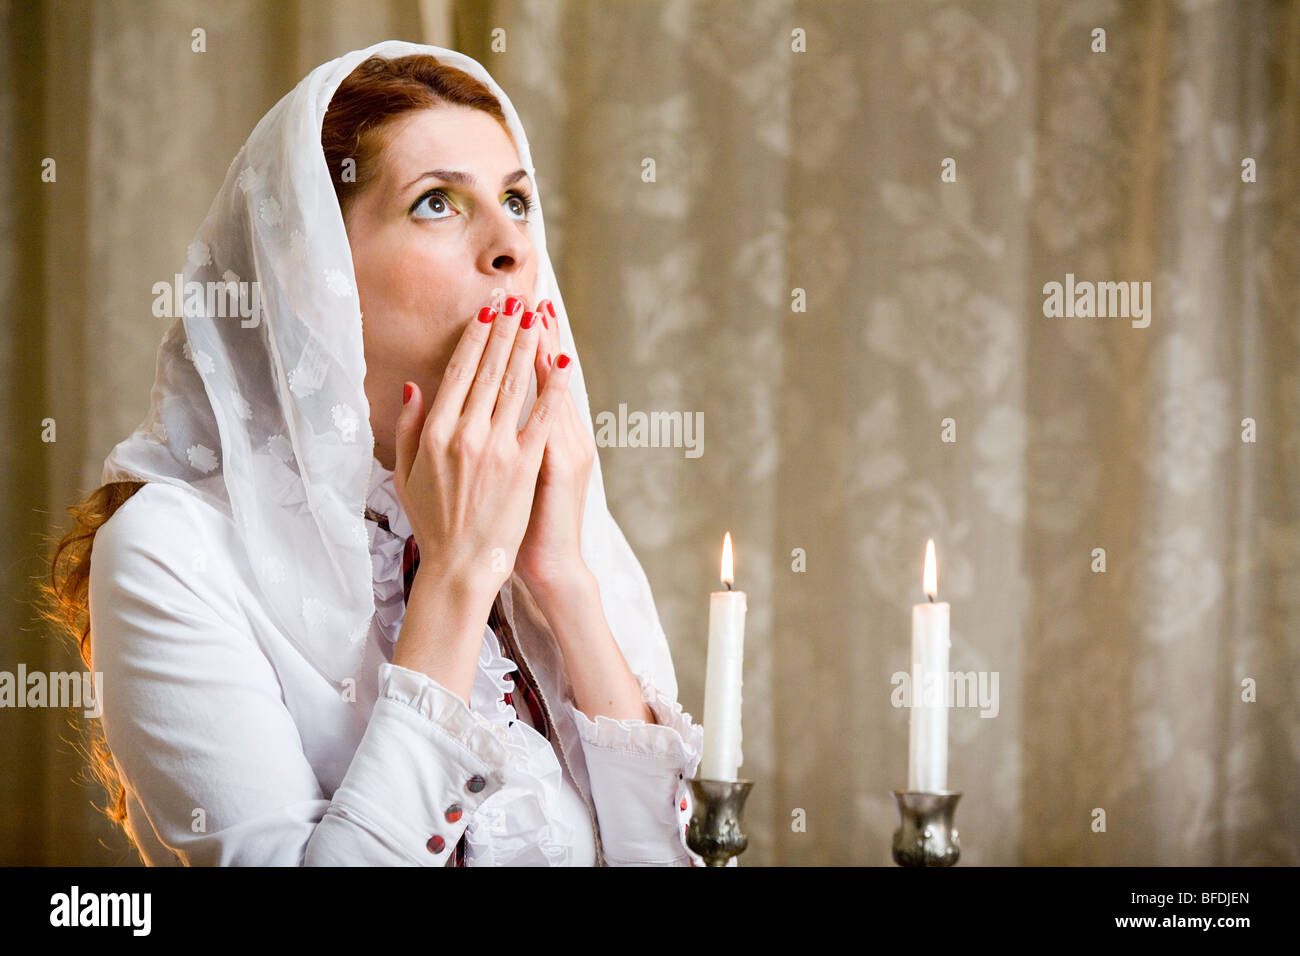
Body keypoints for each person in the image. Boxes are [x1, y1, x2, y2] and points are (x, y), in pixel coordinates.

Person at [43, 40, 704, 866]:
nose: (511, 247)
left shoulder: (546, 523)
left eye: (517, 200)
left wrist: (560, 579)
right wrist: (458, 579)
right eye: (437, 203)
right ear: (308, 271)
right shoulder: (168, 552)